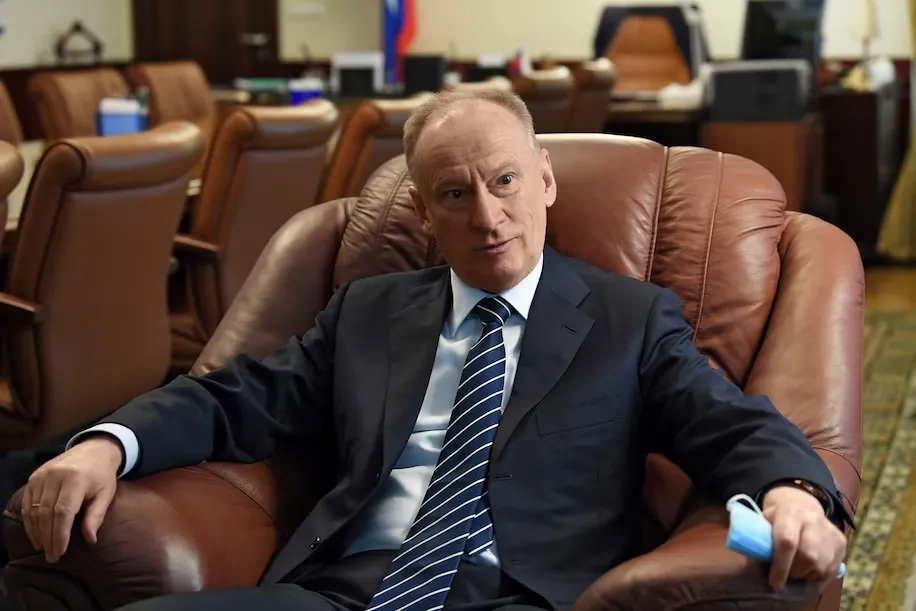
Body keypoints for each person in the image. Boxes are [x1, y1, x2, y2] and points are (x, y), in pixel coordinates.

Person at [21, 89, 852, 611]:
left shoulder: (628, 318)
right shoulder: (369, 311)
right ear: (423, 211)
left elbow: (727, 420)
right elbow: (230, 397)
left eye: (505, 181)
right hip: (342, 589)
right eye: (455, 193)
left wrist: (792, 491)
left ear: (545, 179)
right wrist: (106, 444)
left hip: (522, 593)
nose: (488, 217)